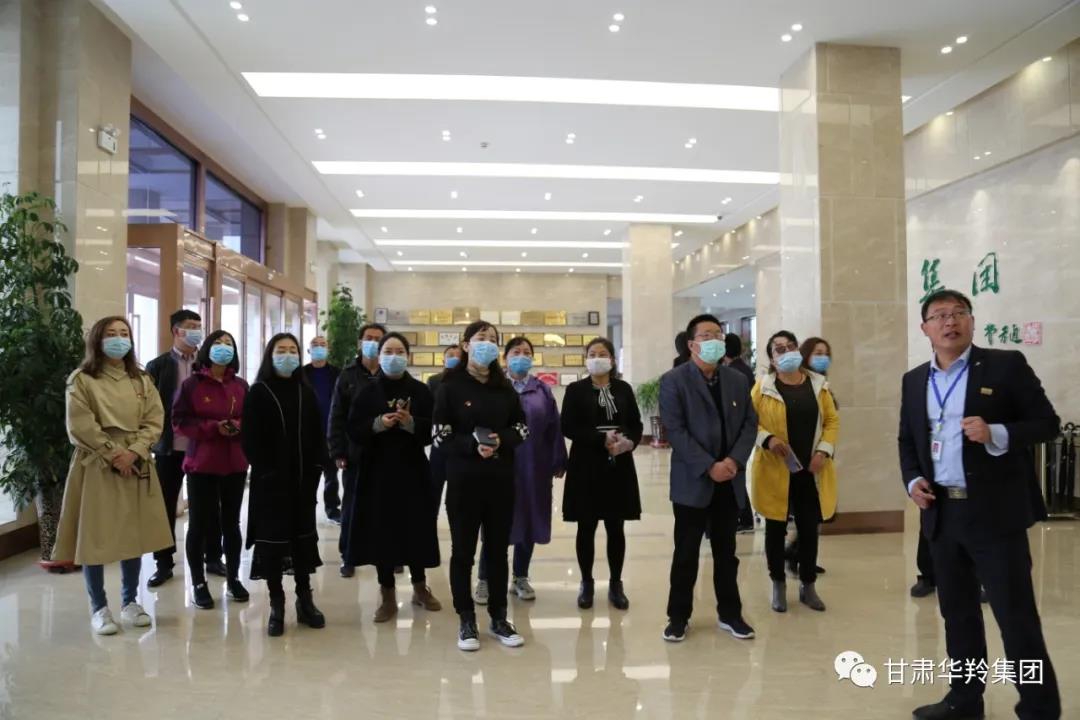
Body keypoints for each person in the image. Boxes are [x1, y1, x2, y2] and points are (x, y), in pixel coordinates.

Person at [898, 289, 1060, 720]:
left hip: (994, 515)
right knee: (958, 615)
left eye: (959, 313)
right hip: (942, 513)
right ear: (925, 328)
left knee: (1015, 616)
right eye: (939, 315)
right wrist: (912, 480)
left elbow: (1047, 423)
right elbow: (907, 440)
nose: (950, 322)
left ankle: (1039, 708)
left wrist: (997, 433)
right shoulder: (914, 380)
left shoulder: (1006, 366)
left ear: (971, 321)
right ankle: (964, 701)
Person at [53, 316, 173, 635]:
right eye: (111, 333)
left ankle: (130, 601)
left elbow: (155, 419)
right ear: (97, 339)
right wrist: (113, 453)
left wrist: (135, 450)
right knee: (95, 536)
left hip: (136, 460)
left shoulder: (141, 379)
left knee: (133, 534)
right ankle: (99, 607)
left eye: (124, 333)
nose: (119, 339)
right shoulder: (82, 379)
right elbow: (80, 424)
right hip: (96, 462)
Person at [660, 314, 758, 643]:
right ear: (691, 344)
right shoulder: (674, 381)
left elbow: (749, 424)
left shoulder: (737, 380)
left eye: (718, 334)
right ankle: (678, 617)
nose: (714, 340)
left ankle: (730, 613)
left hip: (729, 479)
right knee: (686, 552)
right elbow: (675, 430)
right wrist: (709, 465)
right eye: (706, 335)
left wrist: (733, 461)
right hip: (693, 481)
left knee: (726, 552)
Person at [433, 321, 529, 651]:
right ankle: (466, 618)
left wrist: (502, 440)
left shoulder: (505, 388)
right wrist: (472, 445)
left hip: (500, 480)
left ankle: (499, 617)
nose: (487, 343)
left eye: (492, 339)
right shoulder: (450, 386)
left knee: (497, 551)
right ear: (465, 345)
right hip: (464, 481)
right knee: (463, 552)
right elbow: (440, 436)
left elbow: (522, 428)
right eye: (480, 338)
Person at [345, 332, 442, 623]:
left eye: (400, 351)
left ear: (408, 356)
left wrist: (411, 423)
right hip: (377, 471)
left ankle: (420, 587)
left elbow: (434, 430)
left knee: (416, 528)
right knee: (382, 531)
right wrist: (378, 423)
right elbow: (353, 428)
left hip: (413, 470)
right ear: (379, 355)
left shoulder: (421, 391)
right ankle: (387, 594)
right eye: (388, 351)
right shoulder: (367, 392)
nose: (394, 356)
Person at [241, 333, 328, 637]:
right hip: (270, 485)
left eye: (293, 350)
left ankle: (305, 600)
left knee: (302, 542)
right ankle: (277, 603)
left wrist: (317, 468)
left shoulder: (306, 392)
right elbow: (250, 439)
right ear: (270, 355)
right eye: (282, 350)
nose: (288, 355)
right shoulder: (258, 392)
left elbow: (317, 435)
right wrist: (266, 471)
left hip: (303, 483)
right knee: (273, 544)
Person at [752, 330, 839, 614]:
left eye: (790, 346)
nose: (786, 351)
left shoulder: (818, 385)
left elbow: (831, 421)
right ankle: (778, 583)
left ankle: (808, 585)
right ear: (772, 359)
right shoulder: (762, 388)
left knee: (809, 528)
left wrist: (823, 451)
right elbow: (750, 422)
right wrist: (768, 439)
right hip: (775, 469)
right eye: (779, 349)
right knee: (775, 528)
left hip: (810, 470)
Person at [475, 337, 567, 604]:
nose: (522, 356)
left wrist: (558, 459)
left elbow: (554, 426)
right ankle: (485, 579)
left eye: (527, 352)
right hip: (498, 465)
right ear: (505, 358)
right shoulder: (494, 387)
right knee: (495, 524)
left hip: (533, 467)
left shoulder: (541, 390)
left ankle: (520, 577)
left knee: (529, 520)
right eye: (516, 352)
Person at [560, 337, 642, 612]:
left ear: (612, 359)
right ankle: (586, 582)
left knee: (616, 526)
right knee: (586, 526)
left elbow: (636, 423)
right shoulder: (575, 390)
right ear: (586, 359)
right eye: (592, 353)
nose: (597, 358)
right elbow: (567, 426)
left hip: (619, 464)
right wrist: (600, 439)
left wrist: (628, 441)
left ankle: (616, 583)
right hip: (586, 464)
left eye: (602, 353)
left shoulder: (623, 388)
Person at [145, 309, 224, 586]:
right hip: (170, 447)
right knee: (165, 505)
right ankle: (163, 562)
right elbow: (149, 407)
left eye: (198, 326)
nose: (196, 331)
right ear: (176, 331)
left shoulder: (207, 364)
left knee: (209, 504)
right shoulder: (157, 366)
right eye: (190, 326)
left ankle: (212, 556)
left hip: (204, 447)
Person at [171, 330, 249, 609]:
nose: (223, 348)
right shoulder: (192, 385)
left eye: (229, 343)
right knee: (199, 524)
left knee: (232, 524)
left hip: (235, 464)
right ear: (207, 349)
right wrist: (213, 428)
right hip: (201, 464)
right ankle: (198, 583)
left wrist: (237, 426)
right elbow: (179, 421)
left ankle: (234, 578)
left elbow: (252, 418)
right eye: (218, 343)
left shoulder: (241, 385)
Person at [327, 322, 387, 577]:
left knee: (386, 505)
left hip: (386, 453)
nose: (373, 342)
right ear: (360, 343)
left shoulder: (390, 373)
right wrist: (337, 451)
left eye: (378, 338)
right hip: (355, 452)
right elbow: (336, 416)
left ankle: (389, 553)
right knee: (352, 505)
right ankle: (348, 555)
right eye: (368, 338)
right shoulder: (348, 375)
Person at [783, 336, 835, 577]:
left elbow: (831, 421)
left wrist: (825, 449)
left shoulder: (823, 385)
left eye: (826, 353)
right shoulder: (801, 385)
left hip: (822, 457)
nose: (823, 358)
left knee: (817, 513)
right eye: (818, 353)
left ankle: (803, 557)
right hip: (800, 460)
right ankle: (795, 555)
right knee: (809, 514)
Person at [302, 336, 342, 523]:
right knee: (309, 475)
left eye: (323, 345)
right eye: (315, 345)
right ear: (309, 350)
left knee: (331, 475)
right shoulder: (301, 374)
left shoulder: (337, 374)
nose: (319, 348)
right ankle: (306, 510)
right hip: (308, 433)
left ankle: (332, 509)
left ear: (328, 350)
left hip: (330, 432)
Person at [428, 344, 463, 511]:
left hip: (460, 444)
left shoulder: (469, 383)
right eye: (450, 355)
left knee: (457, 496)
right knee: (433, 489)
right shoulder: (434, 381)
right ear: (443, 360)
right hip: (439, 444)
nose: (455, 358)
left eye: (459, 355)